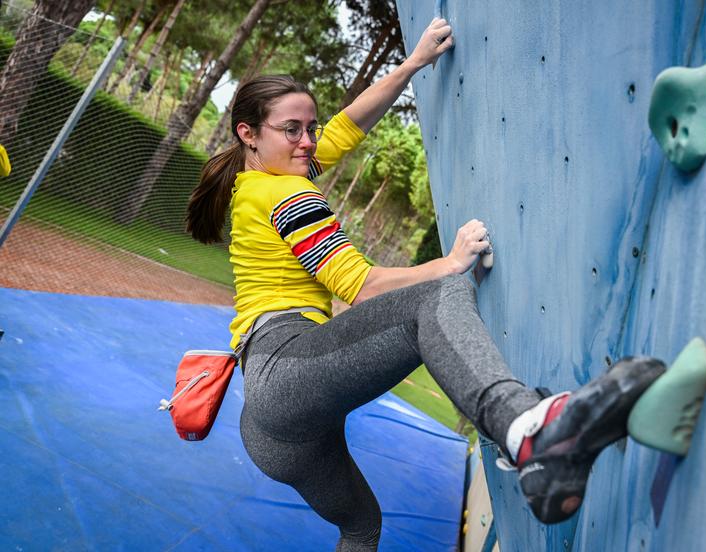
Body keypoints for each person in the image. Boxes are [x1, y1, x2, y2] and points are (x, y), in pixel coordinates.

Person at [185, 18, 666, 552]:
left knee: (361, 528)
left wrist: (412, 66)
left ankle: (528, 435)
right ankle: (526, 432)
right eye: (292, 130)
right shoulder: (287, 195)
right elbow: (360, 285)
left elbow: (346, 127)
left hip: (273, 435)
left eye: (310, 127)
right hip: (285, 372)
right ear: (247, 134)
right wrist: (450, 262)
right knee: (435, 298)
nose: (308, 140)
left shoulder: (256, 182)